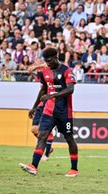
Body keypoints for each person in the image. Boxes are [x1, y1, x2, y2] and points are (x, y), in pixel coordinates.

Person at [19, 48, 79, 177]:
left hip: (64, 112)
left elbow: (70, 89)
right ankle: (33, 166)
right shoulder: (45, 71)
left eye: (49, 60)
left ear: (55, 57)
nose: (48, 63)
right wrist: (34, 107)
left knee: (69, 139)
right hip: (48, 111)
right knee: (42, 135)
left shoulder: (66, 71)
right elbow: (43, 90)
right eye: (46, 61)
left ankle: (74, 169)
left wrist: (52, 96)